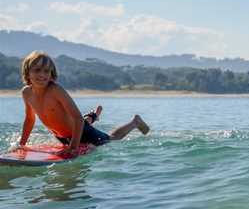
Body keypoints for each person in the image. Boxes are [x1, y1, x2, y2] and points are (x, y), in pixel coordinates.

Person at [16, 51, 150, 155]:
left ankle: (135, 122)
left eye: (46, 71)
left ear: (52, 74)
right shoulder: (26, 93)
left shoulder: (55, 90)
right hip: (62, 137)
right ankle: (93, 116)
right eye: (37, 70)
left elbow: (77, 119)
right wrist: (21, 145)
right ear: (27, 72)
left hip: (83, 133)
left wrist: (73, 147)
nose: (42, 75)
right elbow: (29, 119)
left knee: (111, 139)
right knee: (84, 122)